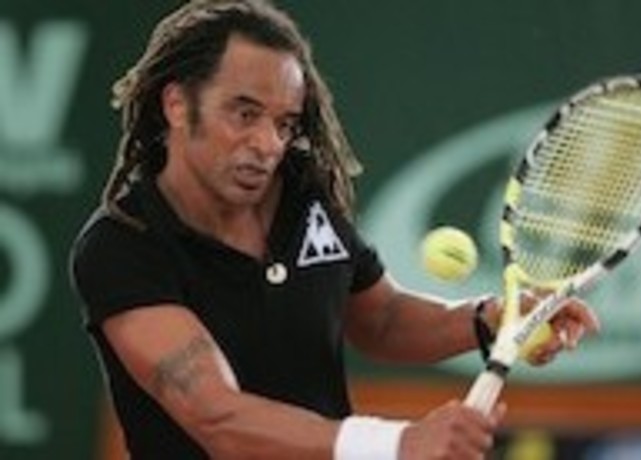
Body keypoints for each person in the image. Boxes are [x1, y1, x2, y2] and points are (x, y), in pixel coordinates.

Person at [69, 1, 600, 459]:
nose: (268, 144)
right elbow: (219, 419)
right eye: (244, 114)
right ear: (177, 104)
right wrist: (396, 444)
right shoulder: (121, 248)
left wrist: (489, 318)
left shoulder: (302, 194)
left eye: (284, 123)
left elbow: (382, 319)